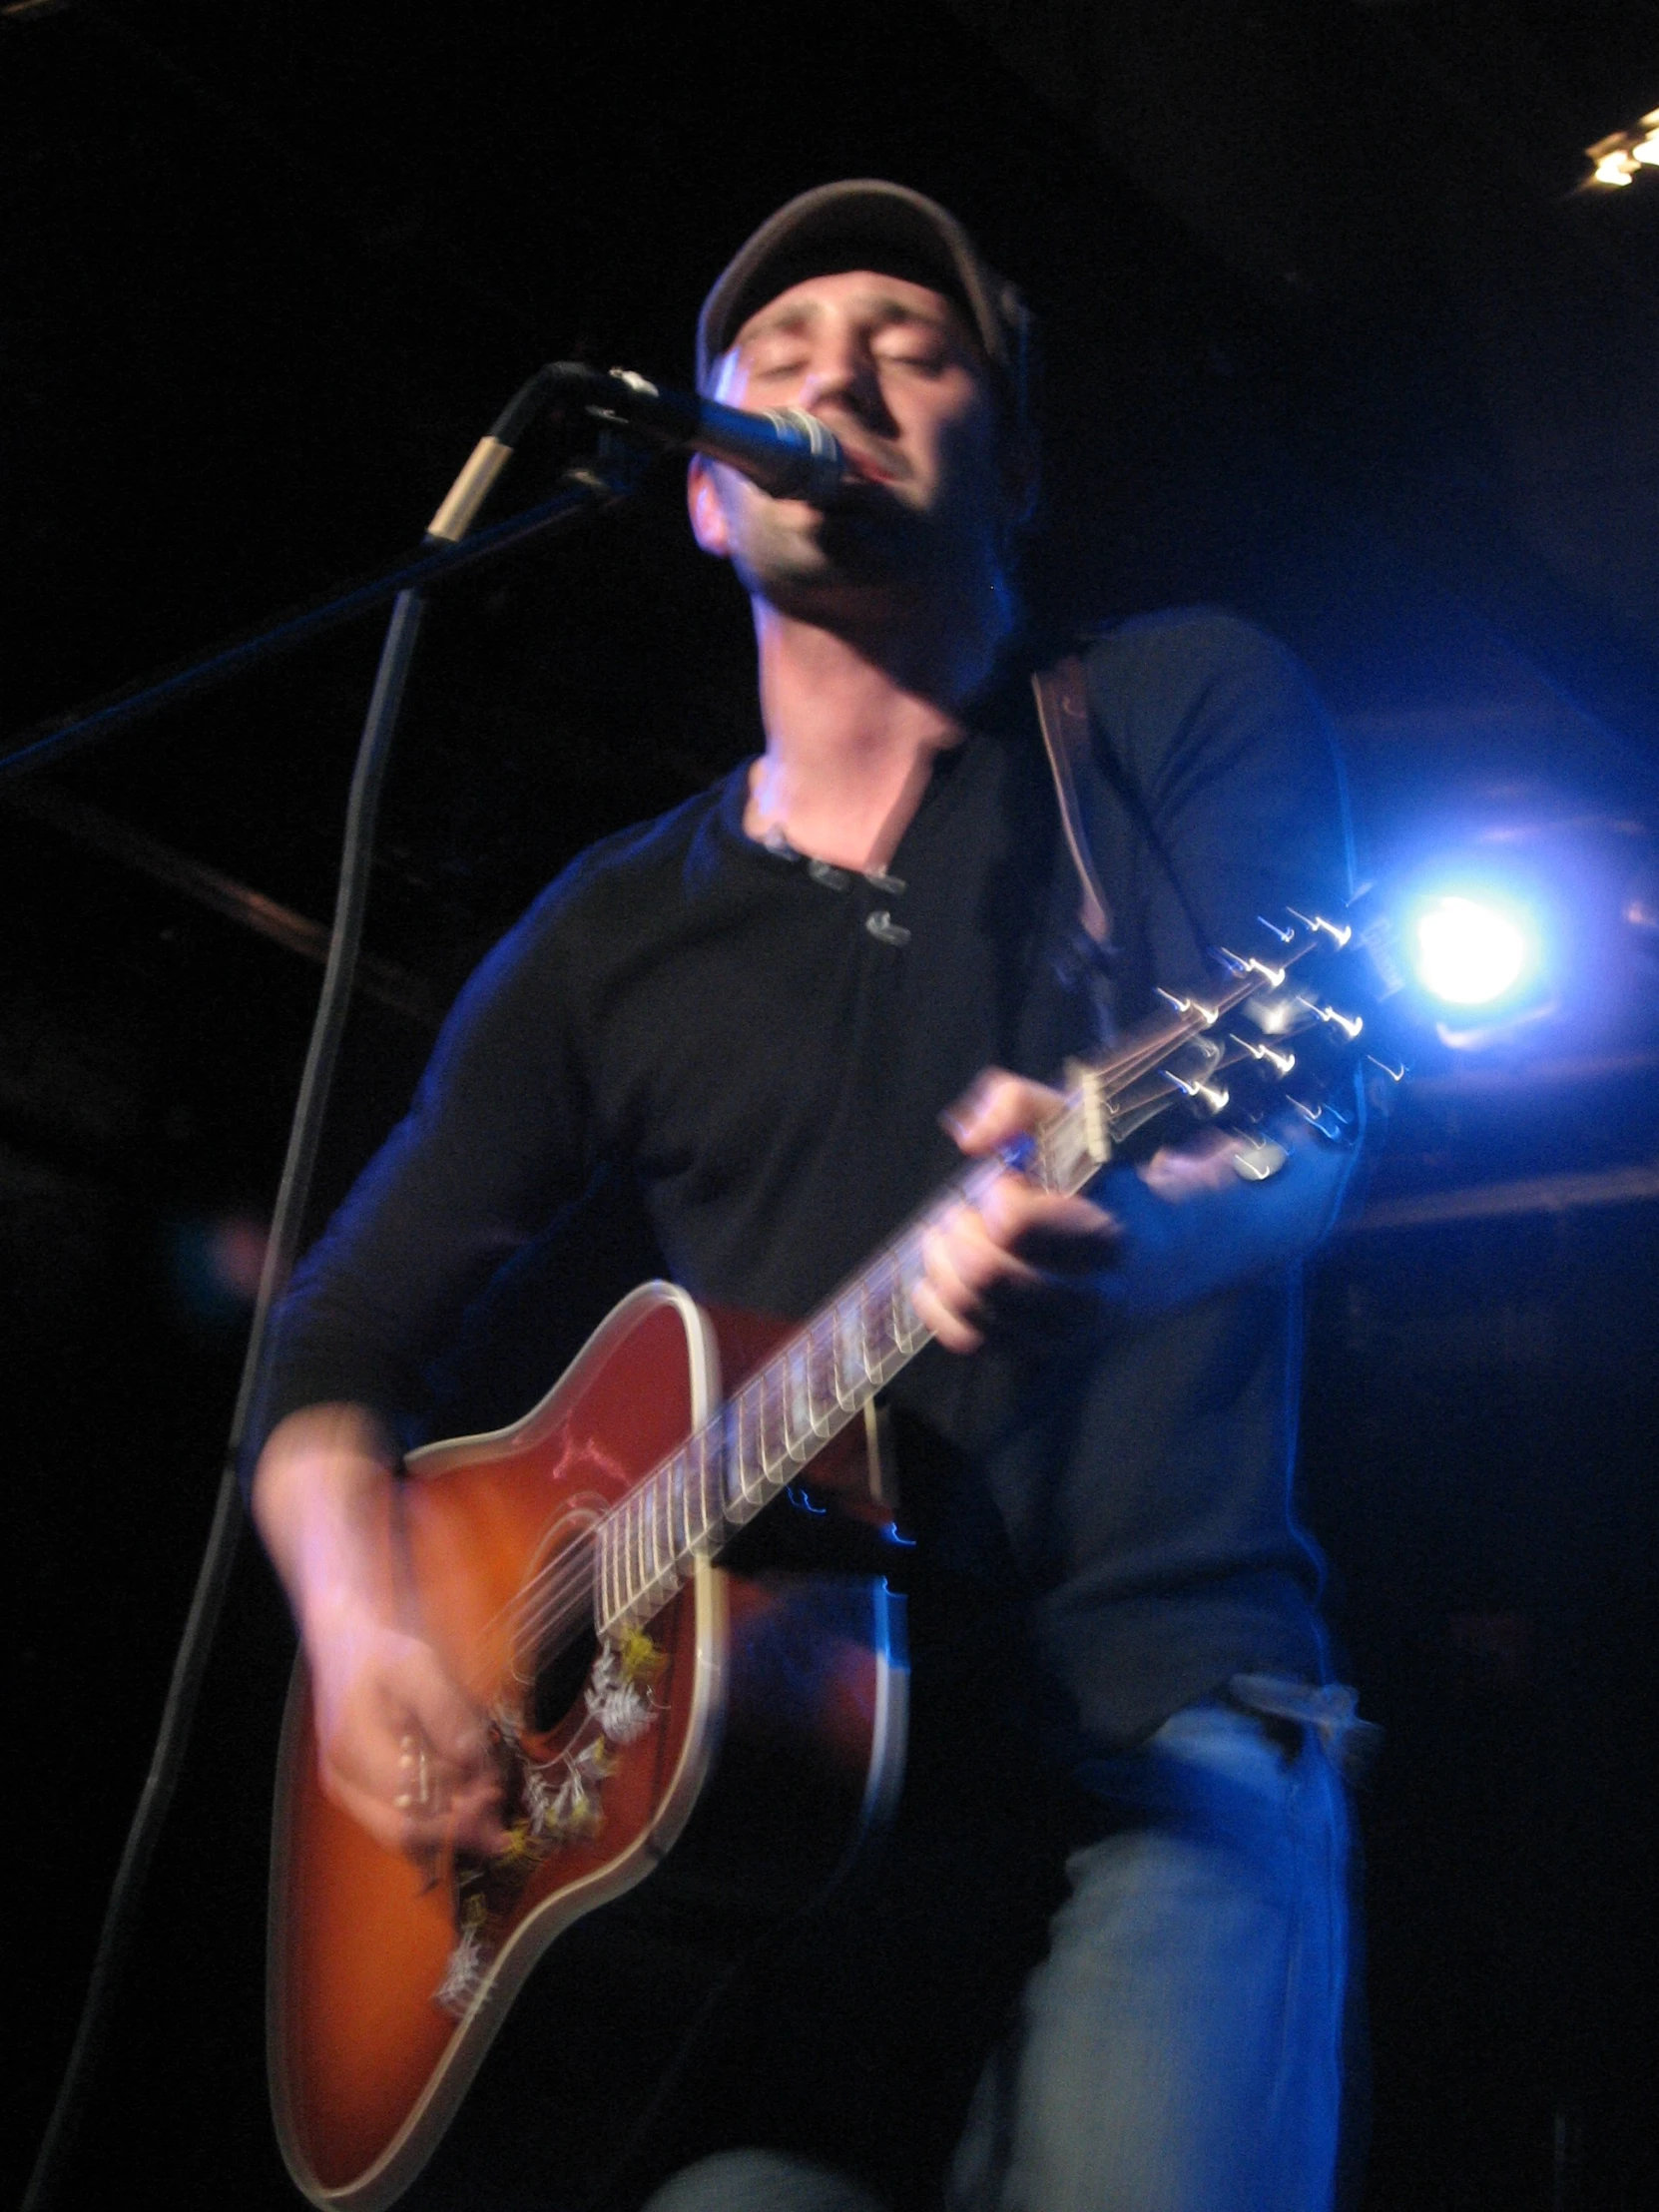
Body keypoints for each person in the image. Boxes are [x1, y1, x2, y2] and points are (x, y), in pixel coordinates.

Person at [250, 180, 1365, 2212]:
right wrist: (363, 1637)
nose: (834, 375)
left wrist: (1147, 1231)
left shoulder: (1174, 710)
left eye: (909, 347)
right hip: (765, 1824)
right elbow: (325, 1353)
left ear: (1015, 463)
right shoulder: (612, 933)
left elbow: (1326, 1116)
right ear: (697, 492)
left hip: (1149, 1726)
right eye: (773, 359)